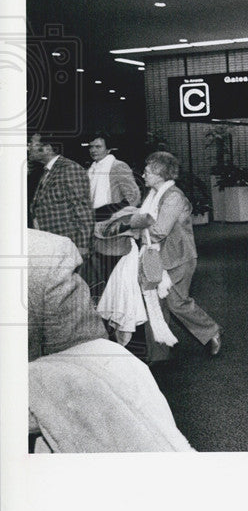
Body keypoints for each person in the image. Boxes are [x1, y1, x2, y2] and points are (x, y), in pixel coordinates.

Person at [26, 228, 193, 453]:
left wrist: (112, 225)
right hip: (134, 259)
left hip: (153, 259)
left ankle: (201, 337)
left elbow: (157, 228)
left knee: (167, 306)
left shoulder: (42, 257)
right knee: (149, 311)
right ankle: (168, 349)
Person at [128, 151, 223, 358]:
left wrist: (133, 225)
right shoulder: (154, 195)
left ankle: (211, 331)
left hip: (177, 259)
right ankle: (158, 355)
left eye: (147, 172)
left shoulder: (173, 197)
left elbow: (160, 230)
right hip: (154, 257)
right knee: (153, 302)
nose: (143, 176)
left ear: (160, 174)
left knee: (176, 303)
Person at [86, 132, 141, 289]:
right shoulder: (92, 170)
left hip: (114, 231)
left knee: (115, 276)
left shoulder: (118, 166)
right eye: (91, 146)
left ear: (108, 149)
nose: (93, 150)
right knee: (103, 275)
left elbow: (133, 197)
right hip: (96, 230)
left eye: (98, 146)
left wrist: (106, 212)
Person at [27, 132, 94, 261]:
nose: (28, 148)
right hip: (51, 244)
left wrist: (82, 245)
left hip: (67, 246)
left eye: (32, 144)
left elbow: (83, 210)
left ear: (47, 148)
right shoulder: (46, 171)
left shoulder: (70, 169)